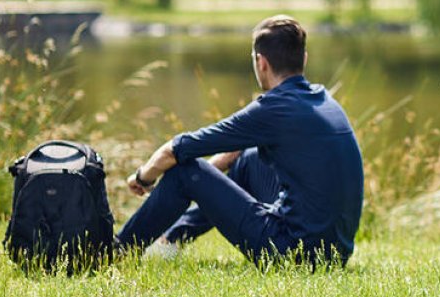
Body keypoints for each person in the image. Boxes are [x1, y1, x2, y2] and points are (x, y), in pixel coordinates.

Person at [117, 15, 363, 265]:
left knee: (185, 171)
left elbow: (175, 150)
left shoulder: (273, 109)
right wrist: (204, 186)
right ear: (304, 59)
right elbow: (233, 152)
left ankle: (116, 252)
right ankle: (170, 240)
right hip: (336, 252)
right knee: (249, 159)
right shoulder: (324, 99)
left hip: (293, 253)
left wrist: (143, 177)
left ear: (261, 63)